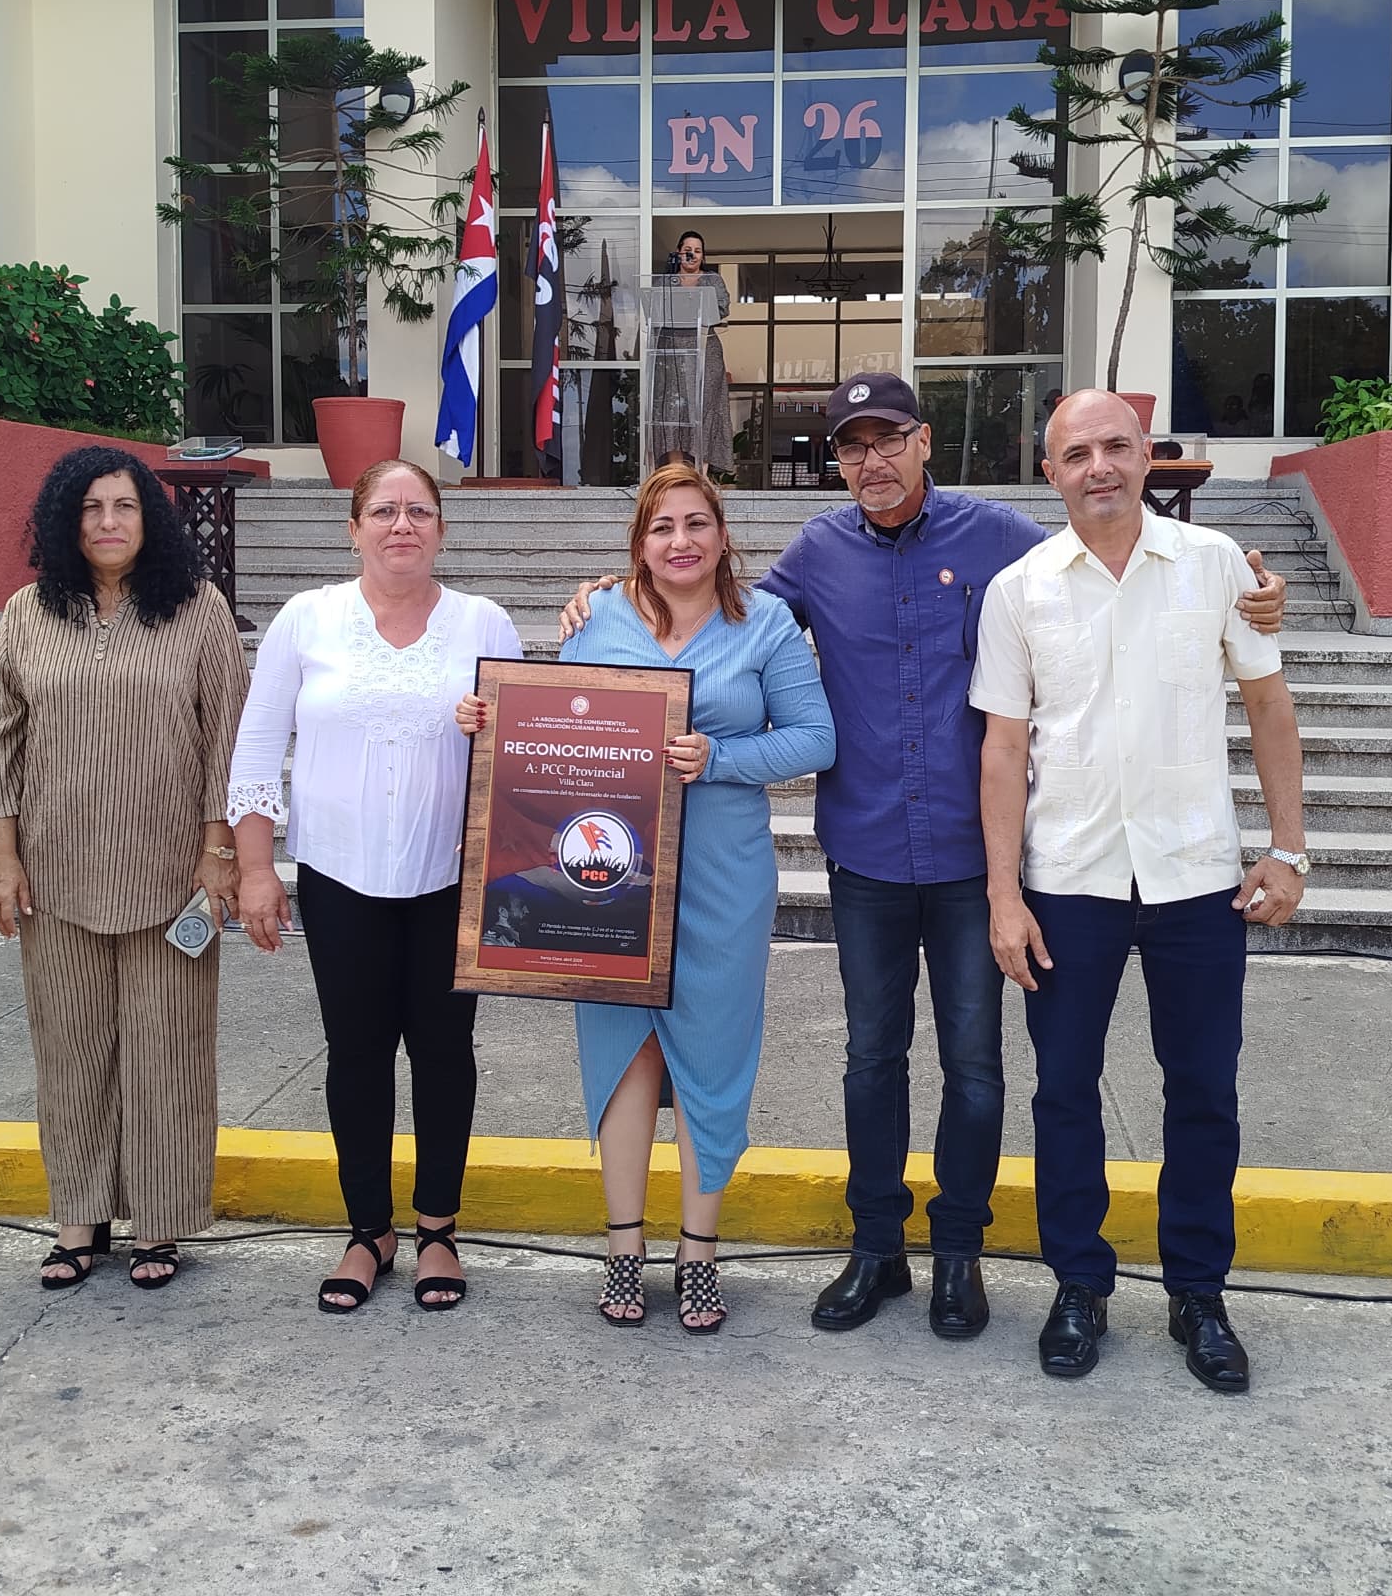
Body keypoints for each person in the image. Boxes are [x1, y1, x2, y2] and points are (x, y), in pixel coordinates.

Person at [558, 372, 1285, 1341]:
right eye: (851, 447)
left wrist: (1248, 585)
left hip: (974, 859)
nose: (871, 461)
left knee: (976, 1068)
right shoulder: (814, 554)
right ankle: (876, 1251)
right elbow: (725, 622)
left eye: (887, 439)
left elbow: (1100, 552)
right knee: (871, 1061)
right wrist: (614, 594)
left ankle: (958, 1255)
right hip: (865, 854)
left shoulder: (1002, 542)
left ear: (925, 441)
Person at [972, 390, 1309, 1394]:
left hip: (1196, 877)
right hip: (1067, 880)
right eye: (1076, 453)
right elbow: (1001, 748)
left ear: (1147, 456)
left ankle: (1198, 1291)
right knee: (1064, 1095)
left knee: (1204, 1092)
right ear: (1050, 472)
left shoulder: (1216, 571)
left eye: (1116, 446)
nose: (1099, 468)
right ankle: (1079, 1283)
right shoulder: (1019, 589)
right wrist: (1002, 893)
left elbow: (1267, 704)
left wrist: (1288, 851)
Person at [504, 463, 834, 1333]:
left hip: (723, 868)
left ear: (723, 536)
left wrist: (719, 759)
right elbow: (554, 730)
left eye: (697, 524)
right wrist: (492, 724)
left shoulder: (764, 624)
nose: (680, 541)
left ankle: (698, 1252)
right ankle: (623, 1246)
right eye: (662, 528)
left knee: (711, 1057)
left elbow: (816, 736)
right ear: (638, 545)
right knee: (622, 1051)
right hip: (608, 869)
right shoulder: (599, 618)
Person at [230, 459, 523, 1314]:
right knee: (356, 1056)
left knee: (443, 1056)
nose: (403, 525)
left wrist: (489, 727)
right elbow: (255, 745)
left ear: (441, 528)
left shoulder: (484, 622)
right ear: (352, 527)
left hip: (449, 877)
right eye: (385, 510)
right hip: (339, 873)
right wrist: (255, 867)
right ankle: (369, 1231)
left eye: (419, 512)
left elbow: (524, 750)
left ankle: (436, 1231)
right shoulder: (307, 619)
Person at [0, 448, 247, 1293]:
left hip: (172, 877)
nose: (107, 522)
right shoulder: (28, 614)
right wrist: (2, 856)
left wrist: (219, 855)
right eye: (90, 508)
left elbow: (225, 740)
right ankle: (79, 1217)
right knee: (71, 1048)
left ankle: (160, 1222)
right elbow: (1, 739)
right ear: (66, 520)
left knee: (169, 1048)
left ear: (149, 517)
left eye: (124, 506)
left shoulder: (197, 610)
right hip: (56, 875)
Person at [644, 229, 735, 478]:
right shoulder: (665, 281)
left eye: (697, 250)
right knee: (672, 411)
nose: (692, 254)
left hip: (705, 348)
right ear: (678, 253)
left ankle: (700, 475)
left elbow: (722, 308)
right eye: (688, 250)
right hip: (671, 352)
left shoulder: (713, 280)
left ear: (703, 256)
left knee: (704, 408)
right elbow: (653, 307)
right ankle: (675, 471)